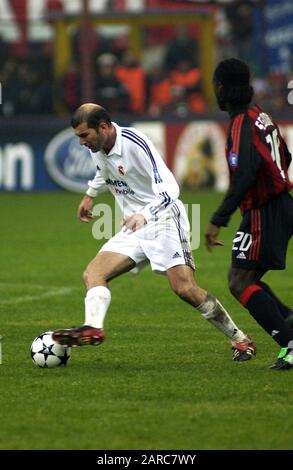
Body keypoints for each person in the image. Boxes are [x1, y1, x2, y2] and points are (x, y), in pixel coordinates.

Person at [53, 103, 256, 361]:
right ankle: (93, 327)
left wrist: (145, 215)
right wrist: (90, 195)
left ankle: (241, 340)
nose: (82, 142)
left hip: (164, 219)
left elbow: (171, 190)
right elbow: (104, 171)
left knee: (184, 288)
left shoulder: (136, 144)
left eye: (84, 136)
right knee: (93, 273)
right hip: (133, 225)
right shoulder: (97, 146)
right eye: (78, 137)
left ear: (103, 127)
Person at [205, 58, 293, 370]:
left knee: (239, 282)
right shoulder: (260, 115)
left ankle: (290, 344)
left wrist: (219, 218)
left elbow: (246, 172)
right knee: (245, 277)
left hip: (264, 209)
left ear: (222, 88)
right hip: (279, 204)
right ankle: (289, 324)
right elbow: (286, 154)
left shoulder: (243, 121)